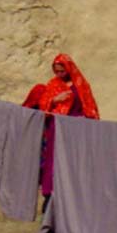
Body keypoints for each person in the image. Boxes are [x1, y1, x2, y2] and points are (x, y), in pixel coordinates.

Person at [22, 54, 99, 195]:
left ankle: (75, 188)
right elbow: (43, 107)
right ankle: (50, 188)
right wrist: (55, 100)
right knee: (54, 156)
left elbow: (90, 106)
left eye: (62, 71)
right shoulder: (53, 85)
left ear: (69, 68)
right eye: (56, 71)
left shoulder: (81, 86)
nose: (59, 74)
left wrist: (86, 120)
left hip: (77, 128)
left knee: (74, 159)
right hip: (58, 127)